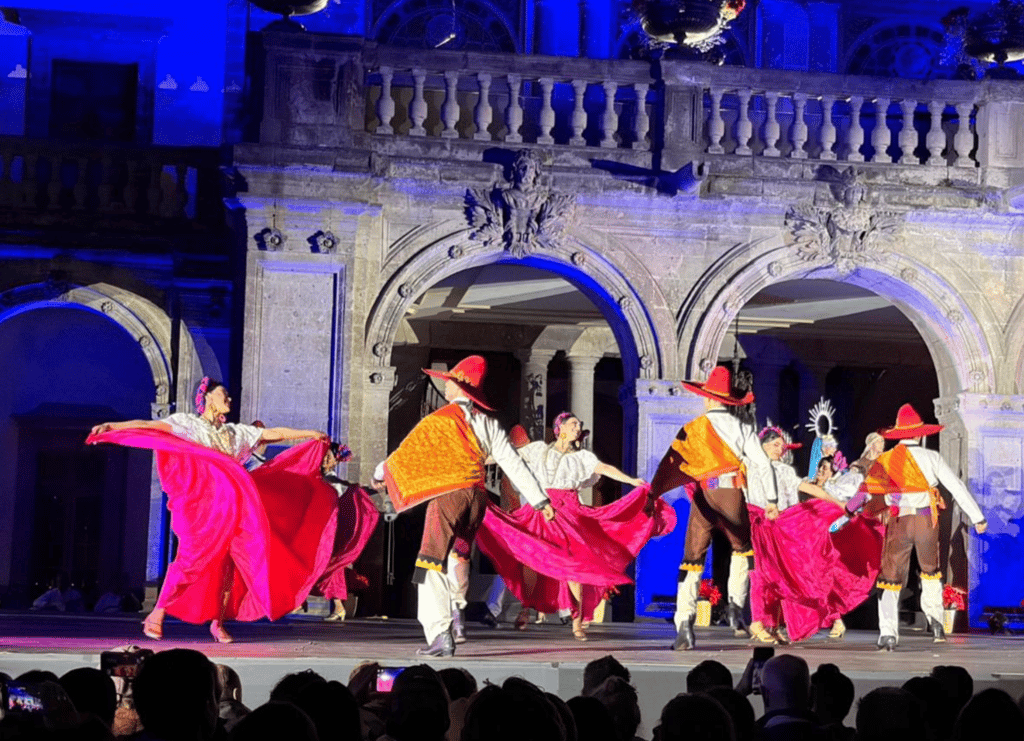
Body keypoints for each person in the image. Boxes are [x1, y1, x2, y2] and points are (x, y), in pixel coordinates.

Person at [88, 377, 336, 643]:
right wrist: (112, 426)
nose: (228, 399)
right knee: (191, 559)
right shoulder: (187, 424)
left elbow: (272, 433)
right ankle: (157, 613)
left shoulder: (234, 433)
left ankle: (218, 622)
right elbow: (148, 426)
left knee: (229, 566)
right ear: (207, 397)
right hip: (203, 509)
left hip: (232, 509)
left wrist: (309, 434)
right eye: (223, 394)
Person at [372, 355, 557, 657]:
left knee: (428, 564)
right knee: (456, 559)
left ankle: (439, 631)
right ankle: (457, 613)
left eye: (449, 381)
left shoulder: (438, 421)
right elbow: (513, 463)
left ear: (458, 388)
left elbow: (403, 455)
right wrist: (540, 500)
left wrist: (378, 475)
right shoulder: (487, 424)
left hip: (449, 498)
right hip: (477, 500)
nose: (445, 385)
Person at [480, 410, 673, 641]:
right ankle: (526, 608)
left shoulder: (583, 458)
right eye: (573, 424)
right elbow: (507, 454)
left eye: (578, 425)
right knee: (531, 559)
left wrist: (630, 480)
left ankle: (576, 621)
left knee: (574, 566)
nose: (577, 427)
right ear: (559, 428)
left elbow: (604, 469)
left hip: (569, 511)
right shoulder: (540, 449)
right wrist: (479, 457)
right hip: (540, 508)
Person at [647, 366, 773, 650]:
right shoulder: (742, 428)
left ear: (707, 398)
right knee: (743, 548)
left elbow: (672, 461)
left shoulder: (694, 428)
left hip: (704, 492)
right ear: (727, 400)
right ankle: (734, 605)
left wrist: (654, 492)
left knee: (692, 558)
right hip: (730, 491)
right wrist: (772, 501)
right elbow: (763, 465)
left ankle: (684, 625)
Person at [861, 404, 987, 651]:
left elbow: (866, 494)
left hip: (899, 522)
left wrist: (847, 512)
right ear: (919, 434)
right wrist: (977, 517)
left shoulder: (885, 459)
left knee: (890, 577)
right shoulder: (932, 458)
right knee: (931, 572)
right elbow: (956, 487)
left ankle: (887, 634)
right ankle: (937, 624)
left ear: (898, 434)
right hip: (926, 522)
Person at [746, 427, 885, 644]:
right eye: (775, 445)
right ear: (762, 446)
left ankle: (773, 624)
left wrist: (839, 504)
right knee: (764, 574)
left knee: (791, 574)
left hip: (784, 524)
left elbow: (810, 489)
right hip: (761, 522)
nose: (779, 449)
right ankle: (758, 621)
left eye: (781, 446)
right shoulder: (749, 467)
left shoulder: (783, 470)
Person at [314, 442, 380, 622]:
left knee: (331, 566)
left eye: (329, 457)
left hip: (332, 531)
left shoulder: (333, 480)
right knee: (327, 566)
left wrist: (371, 489)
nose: (326, 460)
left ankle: (338, 607)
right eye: (324, 457)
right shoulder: (322, 477)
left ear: (336, 461)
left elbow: (352, 491)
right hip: (323, 529)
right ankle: (337, 606)